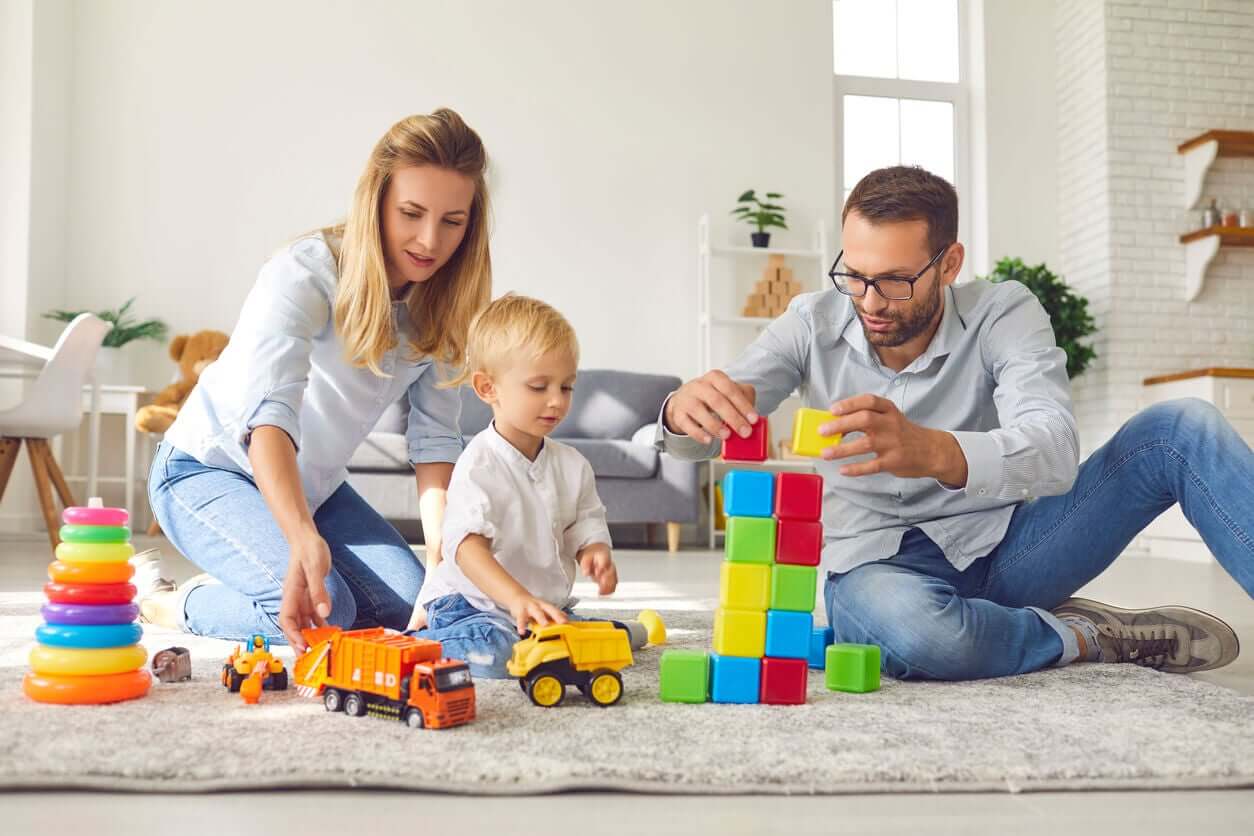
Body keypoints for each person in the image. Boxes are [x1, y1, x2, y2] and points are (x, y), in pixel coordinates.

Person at [658, 164, 1249, 680]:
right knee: (924, 637)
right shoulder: (809, 322)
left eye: (895, 280)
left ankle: (1013, 621)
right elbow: (714, 420)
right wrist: (684, 417)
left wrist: (935, 451)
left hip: (1012, 550)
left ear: (949, 265)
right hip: (875, 569)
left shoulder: (1003, 311)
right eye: (855, 275)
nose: (868, 301)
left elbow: (1056, 448)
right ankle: (1084, 636)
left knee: (1182, 428)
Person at [144, 109, 492, 651]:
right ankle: (173, 603)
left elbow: (437, 443)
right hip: (208, 471)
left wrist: (442, 566)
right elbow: (270, 418)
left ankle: (263, 573)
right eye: (411, 213)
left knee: (404, 611)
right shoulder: (303, 273)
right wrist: (302, 537)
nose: (429, 240)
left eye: (452, 221)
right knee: (329, 607)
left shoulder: (447, 306)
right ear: (376, 201)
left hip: (316, 489)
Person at [412, 294, 628, 678]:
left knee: (600, 644)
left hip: (535, 606)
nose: (556, 401)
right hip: (471, 604)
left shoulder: (572, 464)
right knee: (501, 656)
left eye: (566, 387)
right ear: (487, 388)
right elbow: (465, 548)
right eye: (539, 386)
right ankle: (421, 642)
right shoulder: (479, 464)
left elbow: (585, 521)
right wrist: (515, 599)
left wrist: (593, 549)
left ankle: (607, 633)